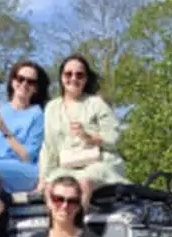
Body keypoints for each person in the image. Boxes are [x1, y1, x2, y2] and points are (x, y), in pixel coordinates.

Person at [37, 53, 127, 208]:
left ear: (86, 79)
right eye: (68, 74)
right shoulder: (51, 108)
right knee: (51, 187)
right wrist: (43, 179)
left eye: (79, 75)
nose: (73, 78)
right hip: (66, 167)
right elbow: (49, 147)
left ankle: (79, 228)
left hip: (100, 164)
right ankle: (56, 229)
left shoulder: (96, 103)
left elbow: (115, 139)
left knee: (81, 184)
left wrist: (89, 138)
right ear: (61, 77)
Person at [0, 59, 49, 192]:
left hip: (23, 170)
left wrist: (4, 130)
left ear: (36, 88)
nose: (24, 84)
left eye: (30, 82)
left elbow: (27, 157)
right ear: (13, 81)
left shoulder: (37, 115)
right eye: (20, 79)